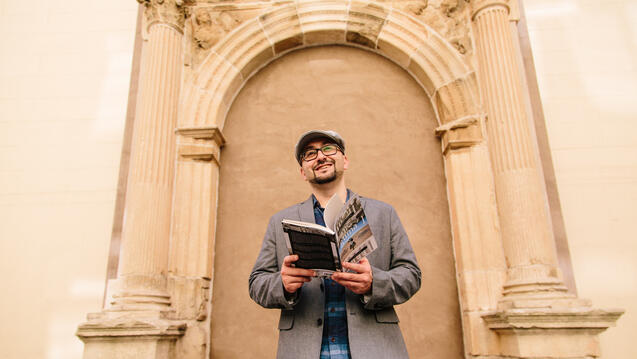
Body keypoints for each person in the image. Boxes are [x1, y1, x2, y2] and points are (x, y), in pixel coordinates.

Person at [249, 130, 421, 358]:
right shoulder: (279, 221)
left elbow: (411, 275)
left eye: (328, 148)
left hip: (376, 348)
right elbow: (257, 283)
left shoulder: (384, 213)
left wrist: (373, 282)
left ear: (345, 160)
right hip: (302, 350)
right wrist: (282, 284)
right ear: (303, 172)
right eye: (310, 154)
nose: (320, 156)